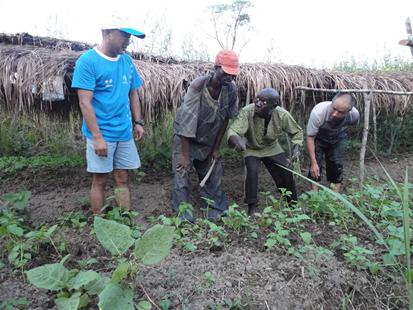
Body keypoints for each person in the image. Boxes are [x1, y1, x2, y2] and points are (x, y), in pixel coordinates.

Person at [71, 21, 146, 215]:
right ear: (107, 32)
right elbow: (85, 103)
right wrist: (97, 137)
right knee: (100, 179)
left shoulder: (127, 61)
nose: (128, 41)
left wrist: (138, 122)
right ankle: (100, 222)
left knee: (122, 177)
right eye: (124, 35)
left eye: (130, 37)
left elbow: (133, 93)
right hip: (101, 133)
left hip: (124, 132)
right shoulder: (88, 61)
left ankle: (125, 218)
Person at [172, 49, 240, 221]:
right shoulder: (198, 86)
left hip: (208, 139)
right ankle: (183, 215)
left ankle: (216, 211)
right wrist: (186, 156)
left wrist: (216, 148)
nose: (229, 78)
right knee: (182, 173)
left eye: (232, 75)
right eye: (225, 73)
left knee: (214, 171)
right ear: (216, 68)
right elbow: (186, 122)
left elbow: (225, 120)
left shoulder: (231, 90)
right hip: (185, 139)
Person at [228, 88, 303, 215]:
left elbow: (297, 132)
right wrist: (236, 141)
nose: (257, 103)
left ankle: (292, 205)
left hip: (271, 147)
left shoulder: (282, 114)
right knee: (252, 172)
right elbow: (233, 131)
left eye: (263, 101)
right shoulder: (247, 111)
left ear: (273, 105)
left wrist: (296, 150)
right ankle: (252, 207)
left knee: (285, 171)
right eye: (257, 99)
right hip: (251, 148)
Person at [306, 92, 359, 192]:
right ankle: (315, 196)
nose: (335, 114)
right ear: (332, 103)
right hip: (319, 138)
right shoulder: (318, 112)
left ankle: (334, 198)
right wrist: (313, 163)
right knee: (316, 165)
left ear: (348, 111)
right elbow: (310, 137)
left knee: (336, 165)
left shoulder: (354, 115)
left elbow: (352, 127)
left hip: (338, 137)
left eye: (340, 112)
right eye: (334, 108)